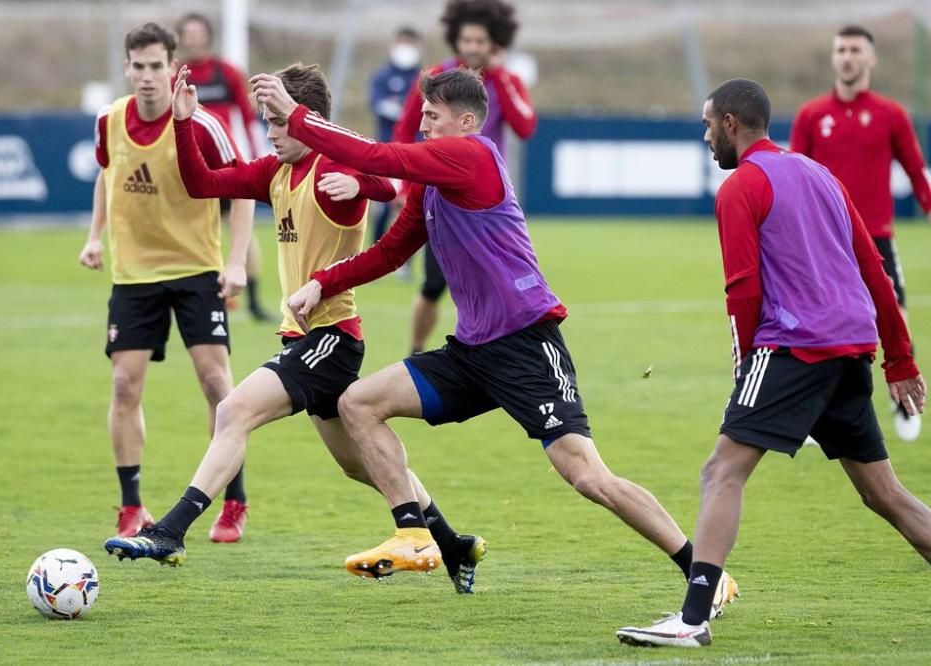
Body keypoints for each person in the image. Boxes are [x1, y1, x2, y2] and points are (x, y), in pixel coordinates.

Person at [256, 67, 738, 612]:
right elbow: (391, 252)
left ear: (464, 122)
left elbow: (378, 160)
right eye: (421, 115)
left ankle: (704, 570)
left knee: (586, 476)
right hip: (471, 351)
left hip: (525, 344)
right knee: (358, 403)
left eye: (432, 116)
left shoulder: (473, 156)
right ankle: (414, 534)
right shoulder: (432, 183)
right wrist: (323, 281)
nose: (423, 124)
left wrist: (297, 115)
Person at [103, 62, 487, 595]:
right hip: (302, 338)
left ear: (302, 116)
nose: (271, 133)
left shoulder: (333, 163)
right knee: (361, 467)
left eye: (277, 122)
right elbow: (203, 184)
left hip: (332, 338)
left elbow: (385, 181)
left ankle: (170, 530)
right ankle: (454, 543)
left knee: (232, 410)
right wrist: (185, 122)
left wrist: (356, 180)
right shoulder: (275, 171)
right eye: (266, 123)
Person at [617, 79, 928, 649]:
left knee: (721, 471)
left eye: (709, 124)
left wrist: (745, 373)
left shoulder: (741, 187)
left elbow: (742, 291)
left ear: (733, 124)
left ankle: (691, 620)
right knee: (885, 494)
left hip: (792, 349)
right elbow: (874, 269)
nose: (706, 136)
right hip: (850, 349)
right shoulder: (820, 174)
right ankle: (692, 616)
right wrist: (898, 358)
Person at [78, 22, 256, 543]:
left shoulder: (202, 124)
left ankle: (233, 501)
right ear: (127, 68)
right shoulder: (109, 120)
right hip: (132, 276)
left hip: (197, 270)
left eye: (158, 65)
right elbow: (106, 175)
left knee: (216, 385)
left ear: (173, 68)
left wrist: (238, 260)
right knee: (123, 384)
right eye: (139, 66)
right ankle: (132, 507)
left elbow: (243, 188)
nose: (148, 76)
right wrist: (95, 236)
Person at [790, 25, 931, 442]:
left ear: (871, 59)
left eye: (855, 50)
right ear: (834, 58)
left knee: (895, 315)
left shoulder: (891, 115)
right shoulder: (812, 115)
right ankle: (817, 412)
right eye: (840, 50)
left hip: (877, 238)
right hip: (825, 241)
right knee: (818, 325)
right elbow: (795, 177)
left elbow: (916, 171)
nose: (847, 57)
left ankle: (904, 399)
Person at [393, 0, 538, 355]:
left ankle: (497, 351)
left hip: (488, 204)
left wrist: (501, 77)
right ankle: (416, 350)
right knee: (434, 283)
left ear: (494, 44)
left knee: (500, 279)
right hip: (441, 197)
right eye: (466, 40)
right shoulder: (435, 78)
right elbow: (405, 129)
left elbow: (525, 126)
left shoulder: (507, 81)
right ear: (455, 40)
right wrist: (404, 185)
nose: (472, 47)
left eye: (480, 41)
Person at [176, 12, 273, 323]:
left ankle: (254, 300)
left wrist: (257, 156)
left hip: (227, 166)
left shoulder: (227, 73)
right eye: (187, 34)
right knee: (197, 232)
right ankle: (205, 294)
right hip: (192, 169)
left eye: (197, 33)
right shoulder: (175, 74)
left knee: (242, 229)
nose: (193, 39)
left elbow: (246, 117)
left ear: (207, 36)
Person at [368, 27, 422, 244]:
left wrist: (401, 108)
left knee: (411, 205)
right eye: (402, 42)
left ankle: (405, 261)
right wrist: (406, 110)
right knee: (383, 203)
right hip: (386, 150)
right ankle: (375, 248)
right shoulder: (382, 76)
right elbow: (377, 105)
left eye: (410, 43)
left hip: (416, 150)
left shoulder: (424, 76)